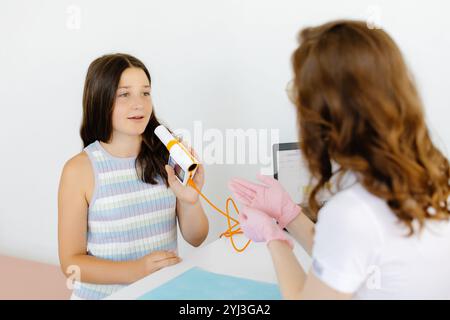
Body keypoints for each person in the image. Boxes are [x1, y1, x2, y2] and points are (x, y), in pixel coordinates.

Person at [229, 20, 450, 299]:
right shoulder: (435, 178)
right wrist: (290, 214)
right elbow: (346, 259)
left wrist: (274, 239)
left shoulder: (354, 211)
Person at [58, 53, 209, 299]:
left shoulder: (167, 156)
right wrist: (135, 271)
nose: (139, 103)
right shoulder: (79, 170)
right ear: (100, 99)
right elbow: (71, 265)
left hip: (161, 294)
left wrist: (190, 200)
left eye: (145, 93)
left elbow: (197, 238)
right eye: (124, 94)